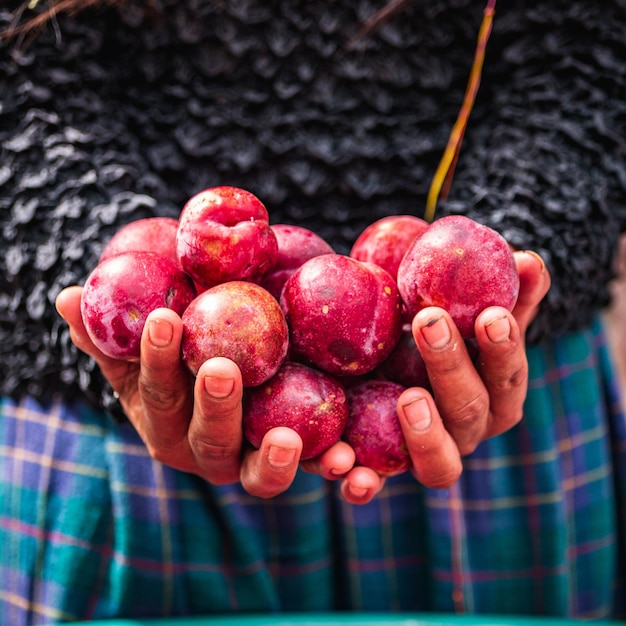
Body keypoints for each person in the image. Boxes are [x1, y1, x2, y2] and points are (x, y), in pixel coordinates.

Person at [0, 0, 624, 623]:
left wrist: (504, 256)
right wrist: (111, 270)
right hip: (132, 437)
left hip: (478, 403)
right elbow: (17, 76)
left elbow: (585, 58)